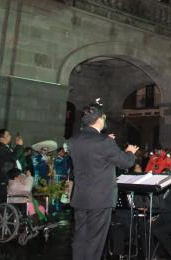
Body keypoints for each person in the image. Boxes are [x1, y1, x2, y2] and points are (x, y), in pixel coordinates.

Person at [69, 104, 138, 260]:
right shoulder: (104, 142)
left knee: (80, 238)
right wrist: (130, 152)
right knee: (95, 241)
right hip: (100, 199)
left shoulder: (74, 140)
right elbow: (125, 162)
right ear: (100, 119)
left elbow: (92, 156)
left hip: (80, 197)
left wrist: (107, 142)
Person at [0, 129, 23, 205]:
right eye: (7, 135)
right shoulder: (0, 148)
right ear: (1, 139)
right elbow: (13, 157)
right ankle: (0, 216)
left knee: (6, 201)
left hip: (7, 178)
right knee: (2, 202)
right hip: (4, 179)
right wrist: (19, 146)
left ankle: (5, 215)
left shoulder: (5, 147)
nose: (10, 136)